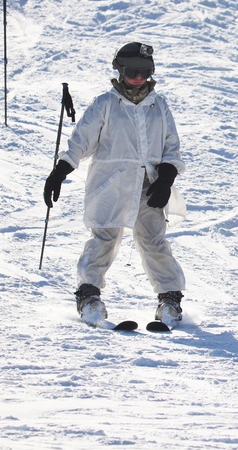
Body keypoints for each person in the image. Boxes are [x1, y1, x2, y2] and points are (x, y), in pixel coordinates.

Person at [43, 42, 187, 328]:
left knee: (153, 240)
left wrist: (167, 176)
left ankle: (170, 299)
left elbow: (172, 147)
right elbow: (80, 142)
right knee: (105, 239)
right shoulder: (106, 104)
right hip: (111, 185)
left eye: (144, 72)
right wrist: (60, 171)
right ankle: (88, 295)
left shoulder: (159, 105)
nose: (137, 78)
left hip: (150, 186)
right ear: (120, 71)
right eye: (132, 72)